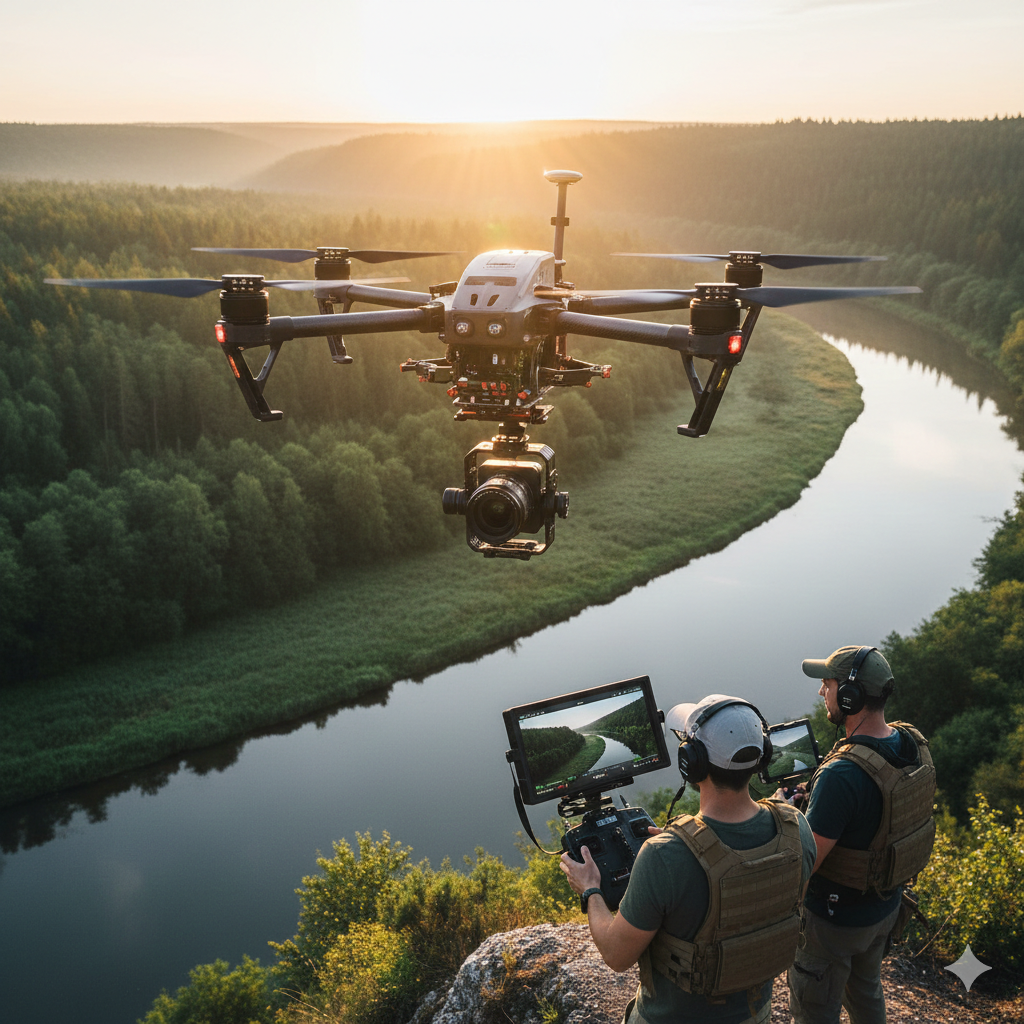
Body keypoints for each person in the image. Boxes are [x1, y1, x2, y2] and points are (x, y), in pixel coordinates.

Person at [561, 694, 817, 1024]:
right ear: (762, 756)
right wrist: (680, 847)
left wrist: (590, 890)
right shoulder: (797, 828)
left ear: (690, 762)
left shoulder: (664, 856)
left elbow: (616, 954)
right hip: (756, 1015)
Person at [790, 646, 936, 1024]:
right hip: (885, 909)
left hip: (835, 922)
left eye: (828, 684)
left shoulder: (842, 774)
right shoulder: (911, 743)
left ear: (850, 696)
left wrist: (785, 816)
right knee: (866, 989)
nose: (822, 692)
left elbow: (805, 866)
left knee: (814, 1009)